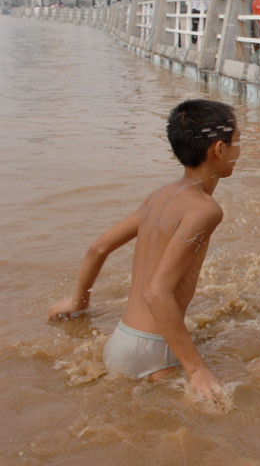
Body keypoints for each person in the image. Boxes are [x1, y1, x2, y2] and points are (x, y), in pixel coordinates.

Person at [47, 100, 240, 403]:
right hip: (154, 351)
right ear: (218, 149)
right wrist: (196, 369)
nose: (238, 152)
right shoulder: (205, 210)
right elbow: (157, 294)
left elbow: (98, 248)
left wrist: (78, 301)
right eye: (237, 142)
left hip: (120, 342)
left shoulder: (158, 196)